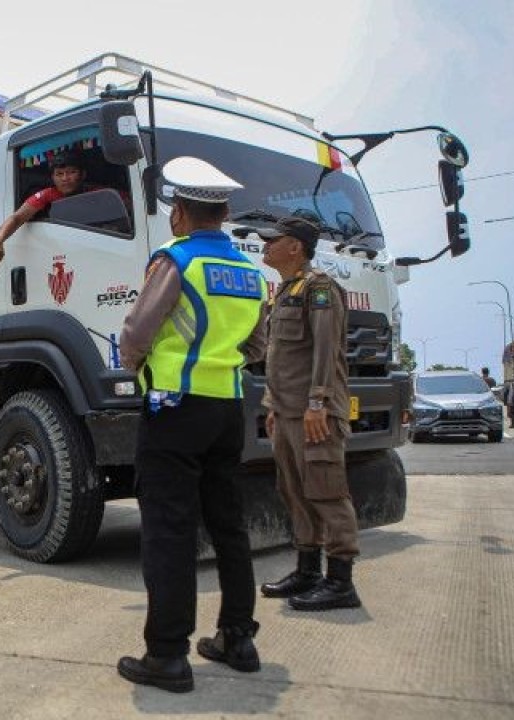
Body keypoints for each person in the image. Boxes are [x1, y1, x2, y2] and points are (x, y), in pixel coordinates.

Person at [115, 157, 267, 693]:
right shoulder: (253, 273)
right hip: (228, 408)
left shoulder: (177, 261)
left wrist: (134, 364)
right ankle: (237, 638)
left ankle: (167, 656)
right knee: (229, 525)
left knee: (170, 530)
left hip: (175, 408)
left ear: (180, 213)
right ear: (223, 214)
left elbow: (136, 332)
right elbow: (256, 345)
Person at [257, 216, 363, 612]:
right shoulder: (287, 290)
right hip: (287, 414)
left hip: (314, 414)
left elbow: (325, 351)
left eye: (273, 240)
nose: (265, 246)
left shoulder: (320, 289)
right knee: (295, 492)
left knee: (327, 491)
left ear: (295, 247)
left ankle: (340, 582)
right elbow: (280, 357)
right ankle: (307, 571)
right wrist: (273, 406)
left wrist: (317, 403)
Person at [0, 151, 94, 268]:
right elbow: (17, 218)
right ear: (53, 177)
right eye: (59, 174)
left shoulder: (97, 193)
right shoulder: (48, 194)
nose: (65, 178)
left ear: (83, 174)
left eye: (72, 172)